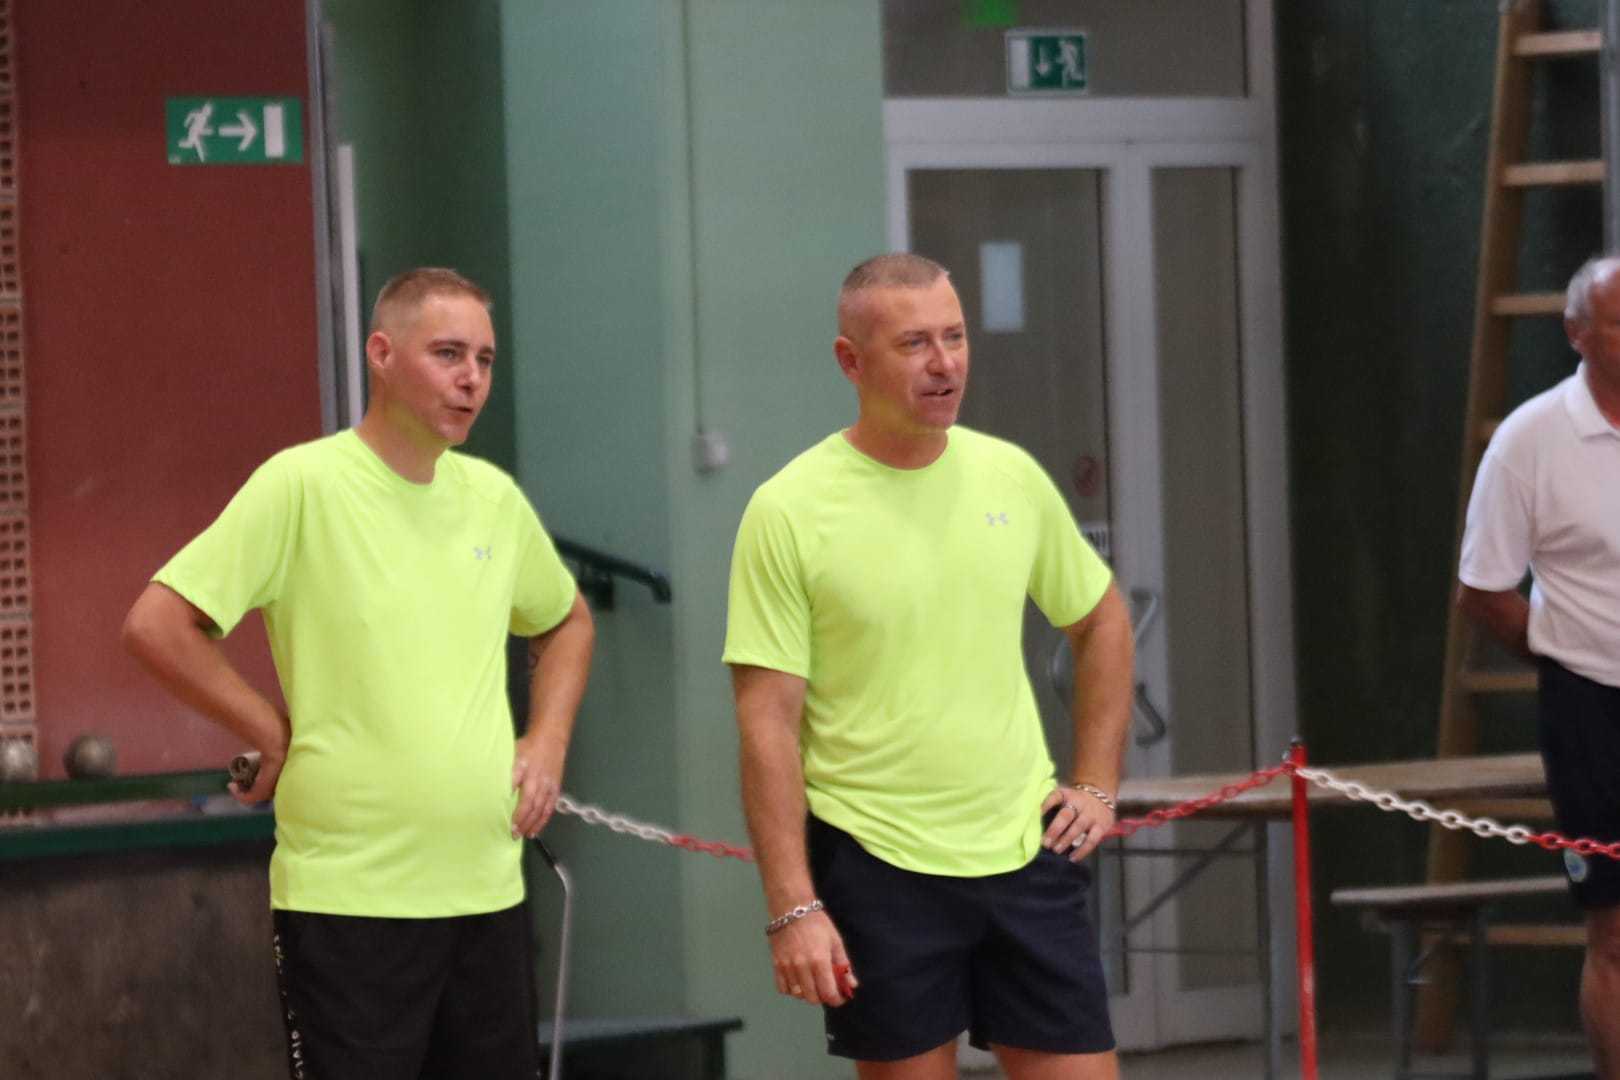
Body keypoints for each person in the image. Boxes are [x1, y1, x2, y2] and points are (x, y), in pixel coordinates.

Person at [122, 267, 594, 1080]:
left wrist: (546, 739)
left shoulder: (493, 499)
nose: (472, 378)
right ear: (381, 353)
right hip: (349, 905)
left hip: (486, 894)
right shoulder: (302, 485)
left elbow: (566, 621)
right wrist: (269, 731)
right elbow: (157, 625)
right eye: (448, 354)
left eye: (484, 359)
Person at [723, 253, 1133, 1079]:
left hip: (1023, 850)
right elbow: (767, 723)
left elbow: (1101, 621)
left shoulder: (1009, 476)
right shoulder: (788, 509)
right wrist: (793, 907)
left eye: (955, 337)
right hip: (877, 865)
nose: (944, 363)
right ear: (851, 361)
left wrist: (1095, 783)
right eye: (914, 344)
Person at [1458, 253, 1620, 1078]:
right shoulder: (1530, 439)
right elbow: (1484, 590)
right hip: (1589, 704)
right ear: (1576, 333)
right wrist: (1564, 653)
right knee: (1615, 927)